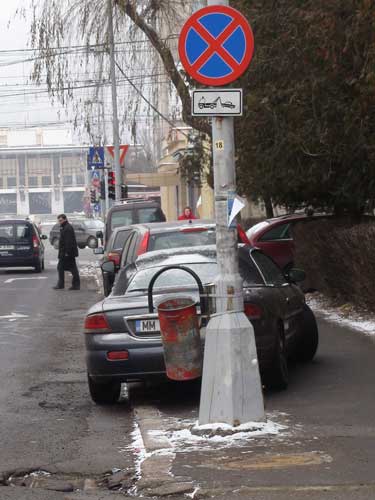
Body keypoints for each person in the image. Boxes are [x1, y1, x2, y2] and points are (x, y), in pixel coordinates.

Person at [53, 214, 80, 290]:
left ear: (65, 219)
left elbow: (69, 242)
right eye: (59, 221)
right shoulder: (65, 227)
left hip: (67, 252)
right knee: (65, 268)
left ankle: (73, 285)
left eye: (61, 220)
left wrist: (67, 253)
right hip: (66, 252)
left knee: (67, 268)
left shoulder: (67, 228)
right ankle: (72, 285)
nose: (59, 222)